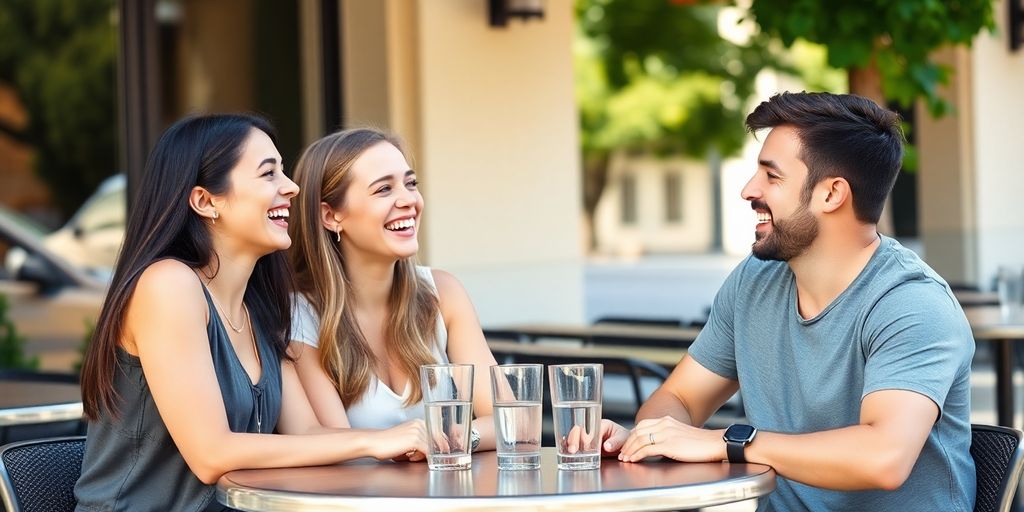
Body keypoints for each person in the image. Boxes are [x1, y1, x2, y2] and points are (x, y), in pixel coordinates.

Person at [614, 92, 976, 511]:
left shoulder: (911, 304)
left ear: (832, 194)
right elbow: (679, 400)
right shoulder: (754, 280)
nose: (749, 190)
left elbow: (884, 457)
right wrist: (653, 438)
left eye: (772, 176)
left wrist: (726, 443)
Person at [75, 115, 428, 512]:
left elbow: (307, 432)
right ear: (206, 202)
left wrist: (392, 442)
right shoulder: (168, 286)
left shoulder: (259, 307)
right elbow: (211, 453)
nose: (292, 187)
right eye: (268, 174)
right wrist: (376, 440)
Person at [287, 128, 629, 453]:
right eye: (383, 190)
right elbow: (339, 449)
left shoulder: (442, 293)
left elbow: (517, 421)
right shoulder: (301, 314)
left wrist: (456, 439)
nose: (409, 200)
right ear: (331, 216)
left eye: (410, 184)